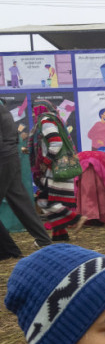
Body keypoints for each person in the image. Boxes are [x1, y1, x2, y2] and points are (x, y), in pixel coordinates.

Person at [27, 99, 86, 242]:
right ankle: (60, 237)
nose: (34, 113)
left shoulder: (46, 121)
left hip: (54, 168)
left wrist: (45, 161)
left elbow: (56, 142)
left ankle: (76, 218)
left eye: (35, 109)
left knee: (44, 200)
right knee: (51, 200)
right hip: (57, 166)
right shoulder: (53, 119)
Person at [0, 100, 52, 258]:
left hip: (2, 158)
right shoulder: (2, 107)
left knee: (20, 200)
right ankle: (43, 240)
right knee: (20, 201)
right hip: (9, 156)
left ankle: (8, 250)